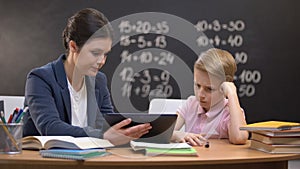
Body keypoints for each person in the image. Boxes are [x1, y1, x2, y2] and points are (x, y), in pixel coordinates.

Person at [22, 8, 151, 146]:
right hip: (44, 161)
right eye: (96, 53)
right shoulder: (40, 78)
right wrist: (102, 135)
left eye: (105, 54)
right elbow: (51, 127)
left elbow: (107, 124)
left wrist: (151, 133)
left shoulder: (99, 81)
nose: (102, 61)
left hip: (89, 158)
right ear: (73, 46)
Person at [171, 48, 248, 145]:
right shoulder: (191, 104)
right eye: (197, 85)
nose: (200, 95)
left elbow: (239, 138)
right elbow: (164, 133)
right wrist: (177, 135)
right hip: (192, 159)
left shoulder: (229, 111)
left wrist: (232, 94)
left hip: (218, 160)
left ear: (224, 87)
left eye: (209, 89)